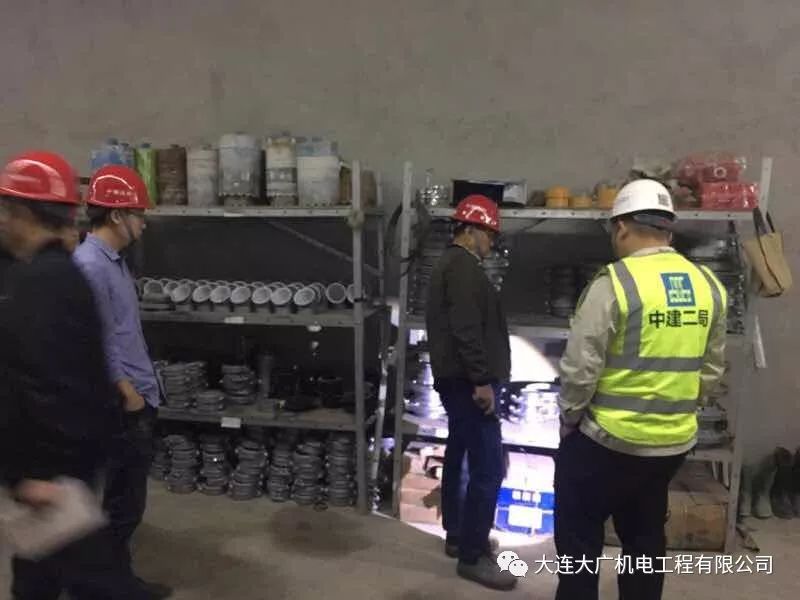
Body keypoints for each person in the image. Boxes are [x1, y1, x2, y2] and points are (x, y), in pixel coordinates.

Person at [554, 179, 727, 600]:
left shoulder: (615, 283)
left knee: (579, 541)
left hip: (607, 441)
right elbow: (711, 369)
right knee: (645, 538)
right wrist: (677, 412)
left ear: (622, 227)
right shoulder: (708, 285)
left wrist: (570, 417)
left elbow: (581, 367)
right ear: (668, 229)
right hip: (670, 446)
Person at [0, 150, 150, 599]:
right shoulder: (51, 276)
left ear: (24, 212)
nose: (2, 219)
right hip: (54, 475)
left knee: (55, 577)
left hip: (54, 473)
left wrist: (33, 473)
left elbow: (50, 382)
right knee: (72, 577)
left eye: (6, 209)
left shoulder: (44, 281)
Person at [73, 165, 171, 599]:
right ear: (116, 215)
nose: (143, 223)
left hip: (137, 392)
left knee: (123, 500)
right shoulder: (91, 266)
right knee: (122, 505)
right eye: (138, 213)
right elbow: (96, 338)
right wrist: (127, 392)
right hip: (122, 402)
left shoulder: (112, 263)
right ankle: (112, 587)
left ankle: (106, 580)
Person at [425, 194, 515, 591]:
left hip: (458, 379)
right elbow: (465, 328)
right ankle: (473, 555)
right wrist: (481, 380)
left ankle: (460, 535)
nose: (491, 243)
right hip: (467, 382)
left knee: (461, 453)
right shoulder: (461, 267)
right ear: (471, 230)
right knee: (488, 467)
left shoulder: (455, 265)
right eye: (489, 235)